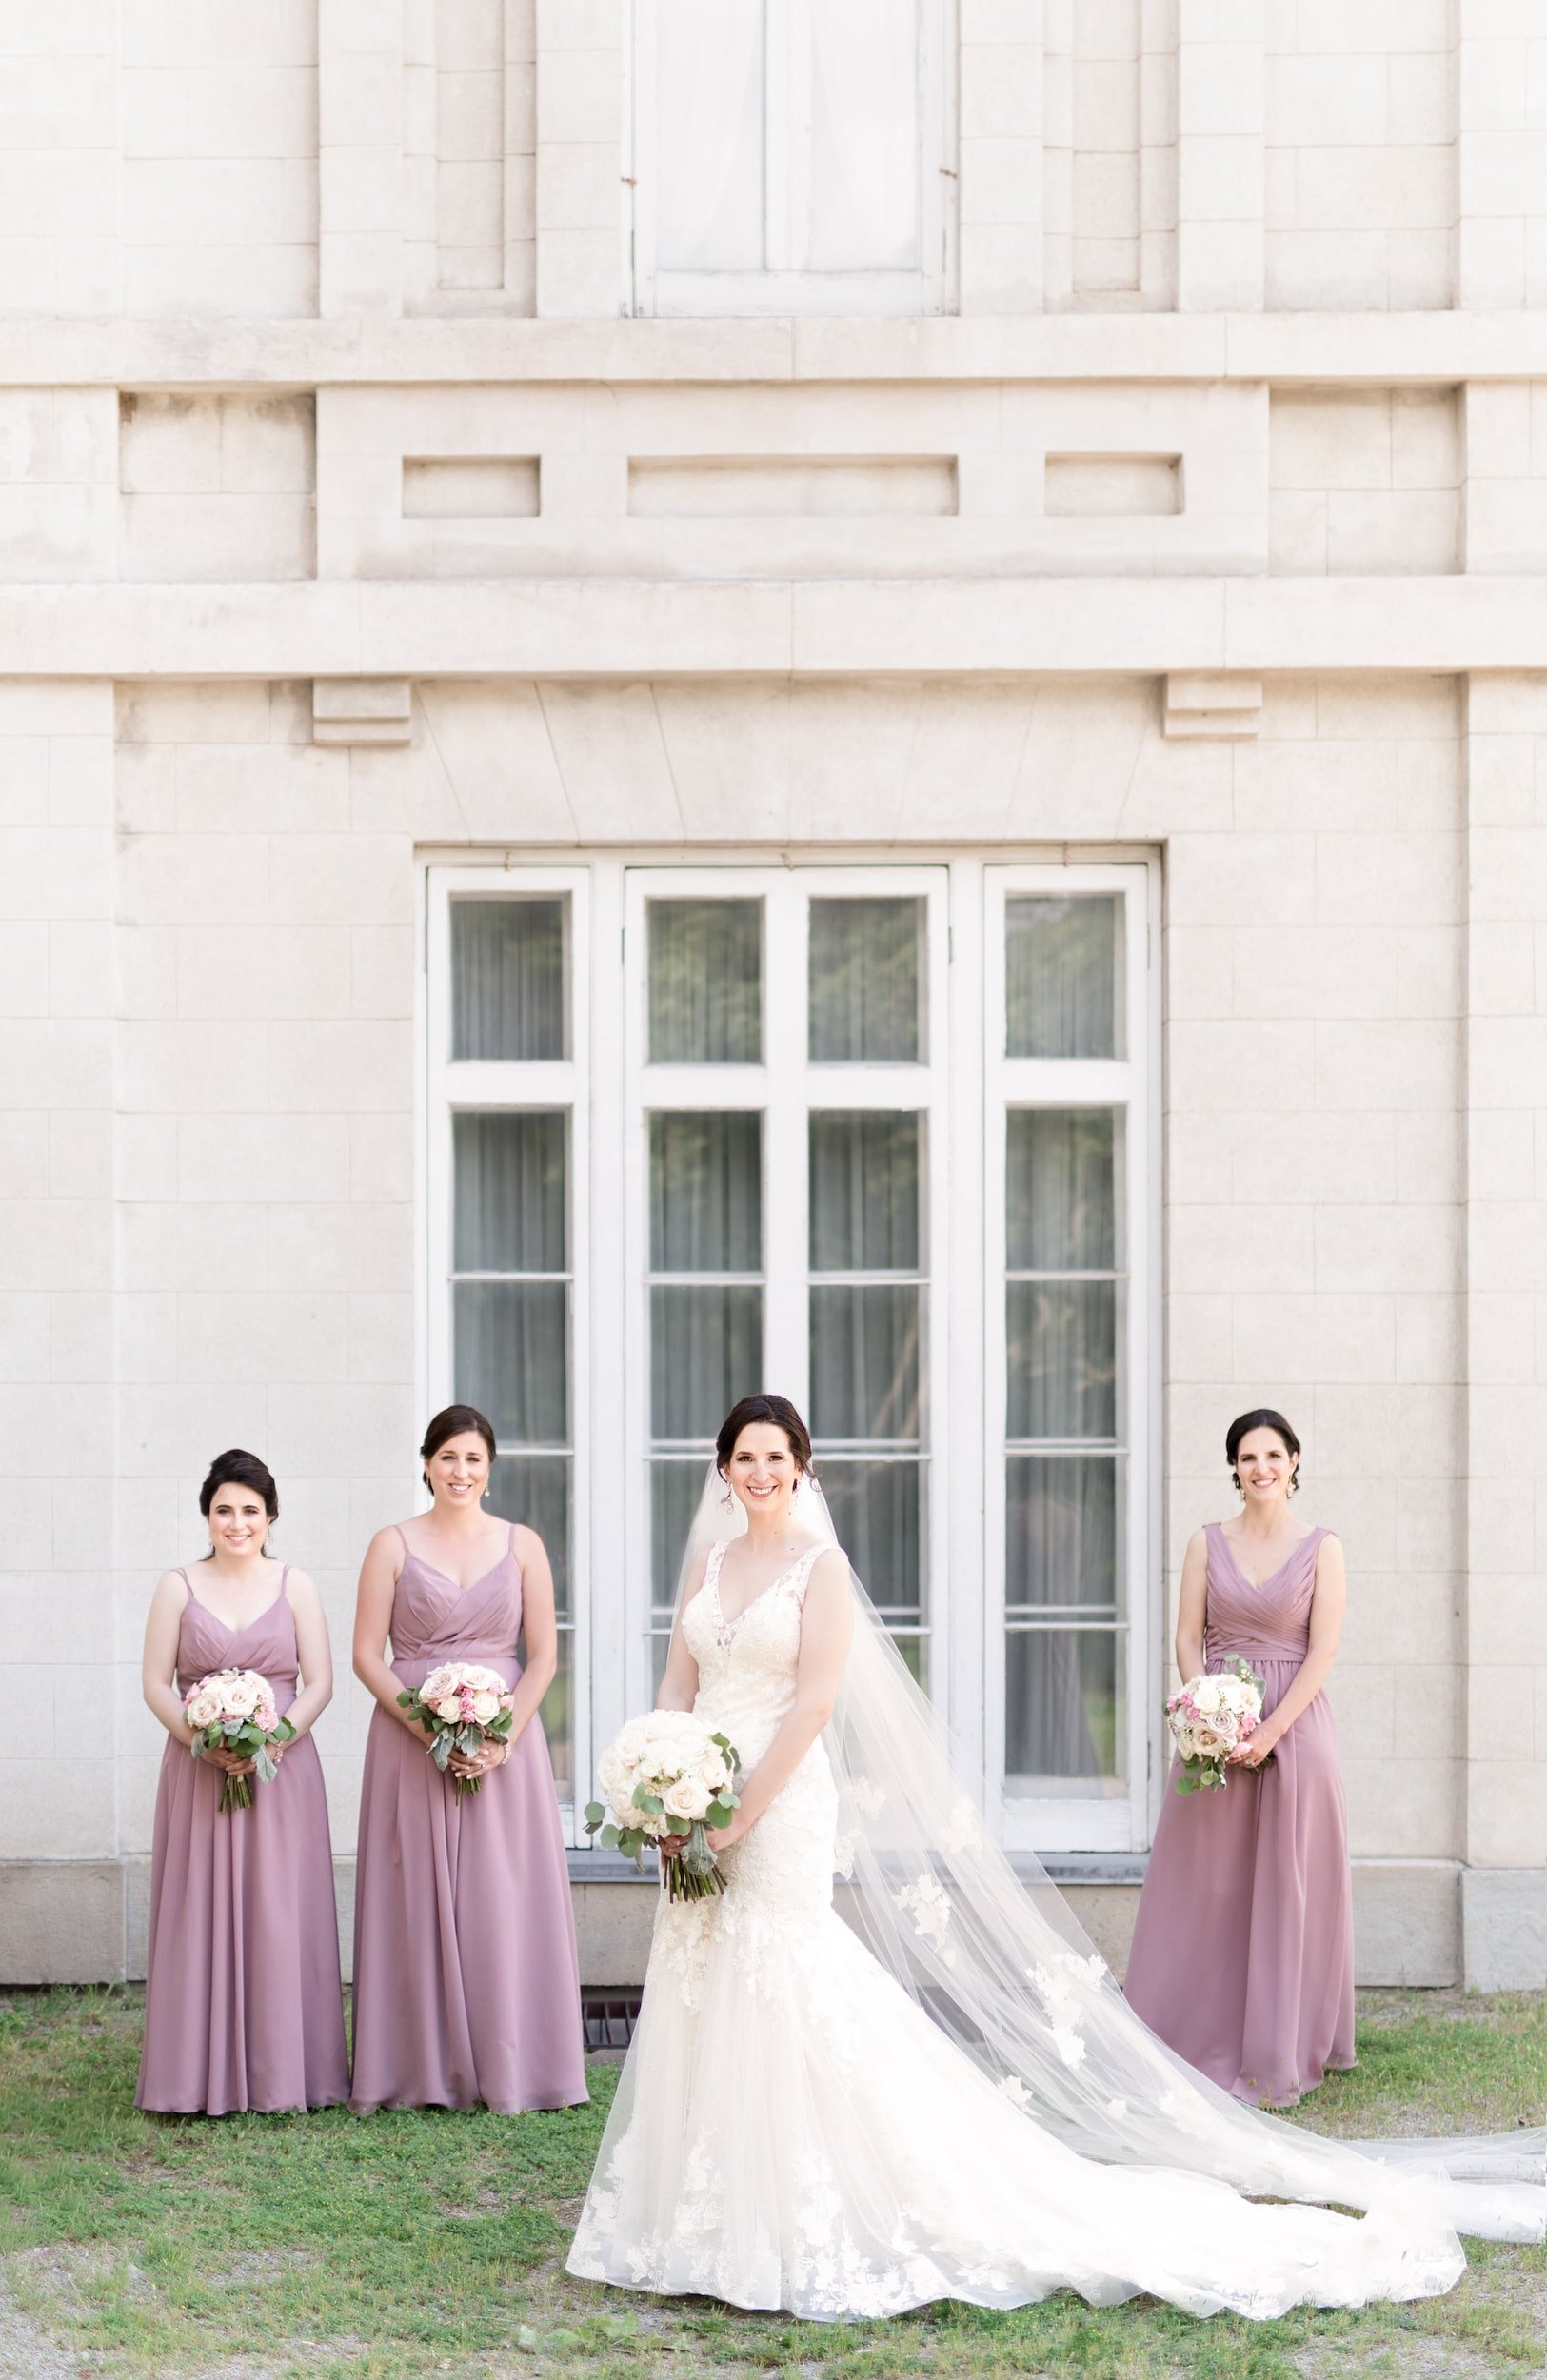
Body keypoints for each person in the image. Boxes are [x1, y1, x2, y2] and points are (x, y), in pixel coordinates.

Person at [567, 1394, 1543, 2324]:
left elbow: (814, 1703)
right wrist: (666, 1785)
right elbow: (676, 1680)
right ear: (723, 1468)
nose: (761, 1471)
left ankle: (792, 2207)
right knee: (702, 1974)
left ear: (801, 1466)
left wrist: (736, 1814)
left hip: (775, 1799)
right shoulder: (707, 1562)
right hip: (697, 1796)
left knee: (780, 1970)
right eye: (745, 1457)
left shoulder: (819, 1569)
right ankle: (703, 2204)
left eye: (777, 1456)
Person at [349, 1403, 586, 2113]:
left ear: (490, 1470)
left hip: (502, 1742)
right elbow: (366, 1655)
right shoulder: (390, 1545)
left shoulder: (522, 1545)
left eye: (473, 1459)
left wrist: (502, 1737)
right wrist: (427, 1728)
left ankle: (515, 2064)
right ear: (426, 1464)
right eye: (447, 1457)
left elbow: (543, 1655)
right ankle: (415, 2069)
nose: (460, 1471)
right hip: (408, 1739)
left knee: (501, 1897)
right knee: (412, 1893)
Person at [1124, 1409, 1354, 2105]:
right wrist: (1210, 1713)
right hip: (1217, 1728)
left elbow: (1323, 1651)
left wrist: (1271, 1731)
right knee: (1207, 1881)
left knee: (1287, 1883)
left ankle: (1281, 2039)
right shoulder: (1205, 1542)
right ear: (1233, 1467)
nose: (1261, 1468)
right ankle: (1187, 2027)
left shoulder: (1322, 1548)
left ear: (1293, 1462)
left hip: (1295, 1728)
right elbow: (1187, 1636)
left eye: (1272, 1456)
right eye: (1247, 1457)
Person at [137, 1450, 348, 2115]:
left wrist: (273, 1741)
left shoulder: (296, 1586)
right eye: (224, 1510)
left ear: (270, 1517)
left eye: (249, 1511)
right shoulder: (177, 1586)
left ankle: (287, 2074)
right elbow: (154, 1682)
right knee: (200, 1910)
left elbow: (320, 1682)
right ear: (207, 1517)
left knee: (278, 1910)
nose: (237, 1523)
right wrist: (202, 1742)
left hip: (281, 1773)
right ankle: (194, 2076)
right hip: (198, 1771)